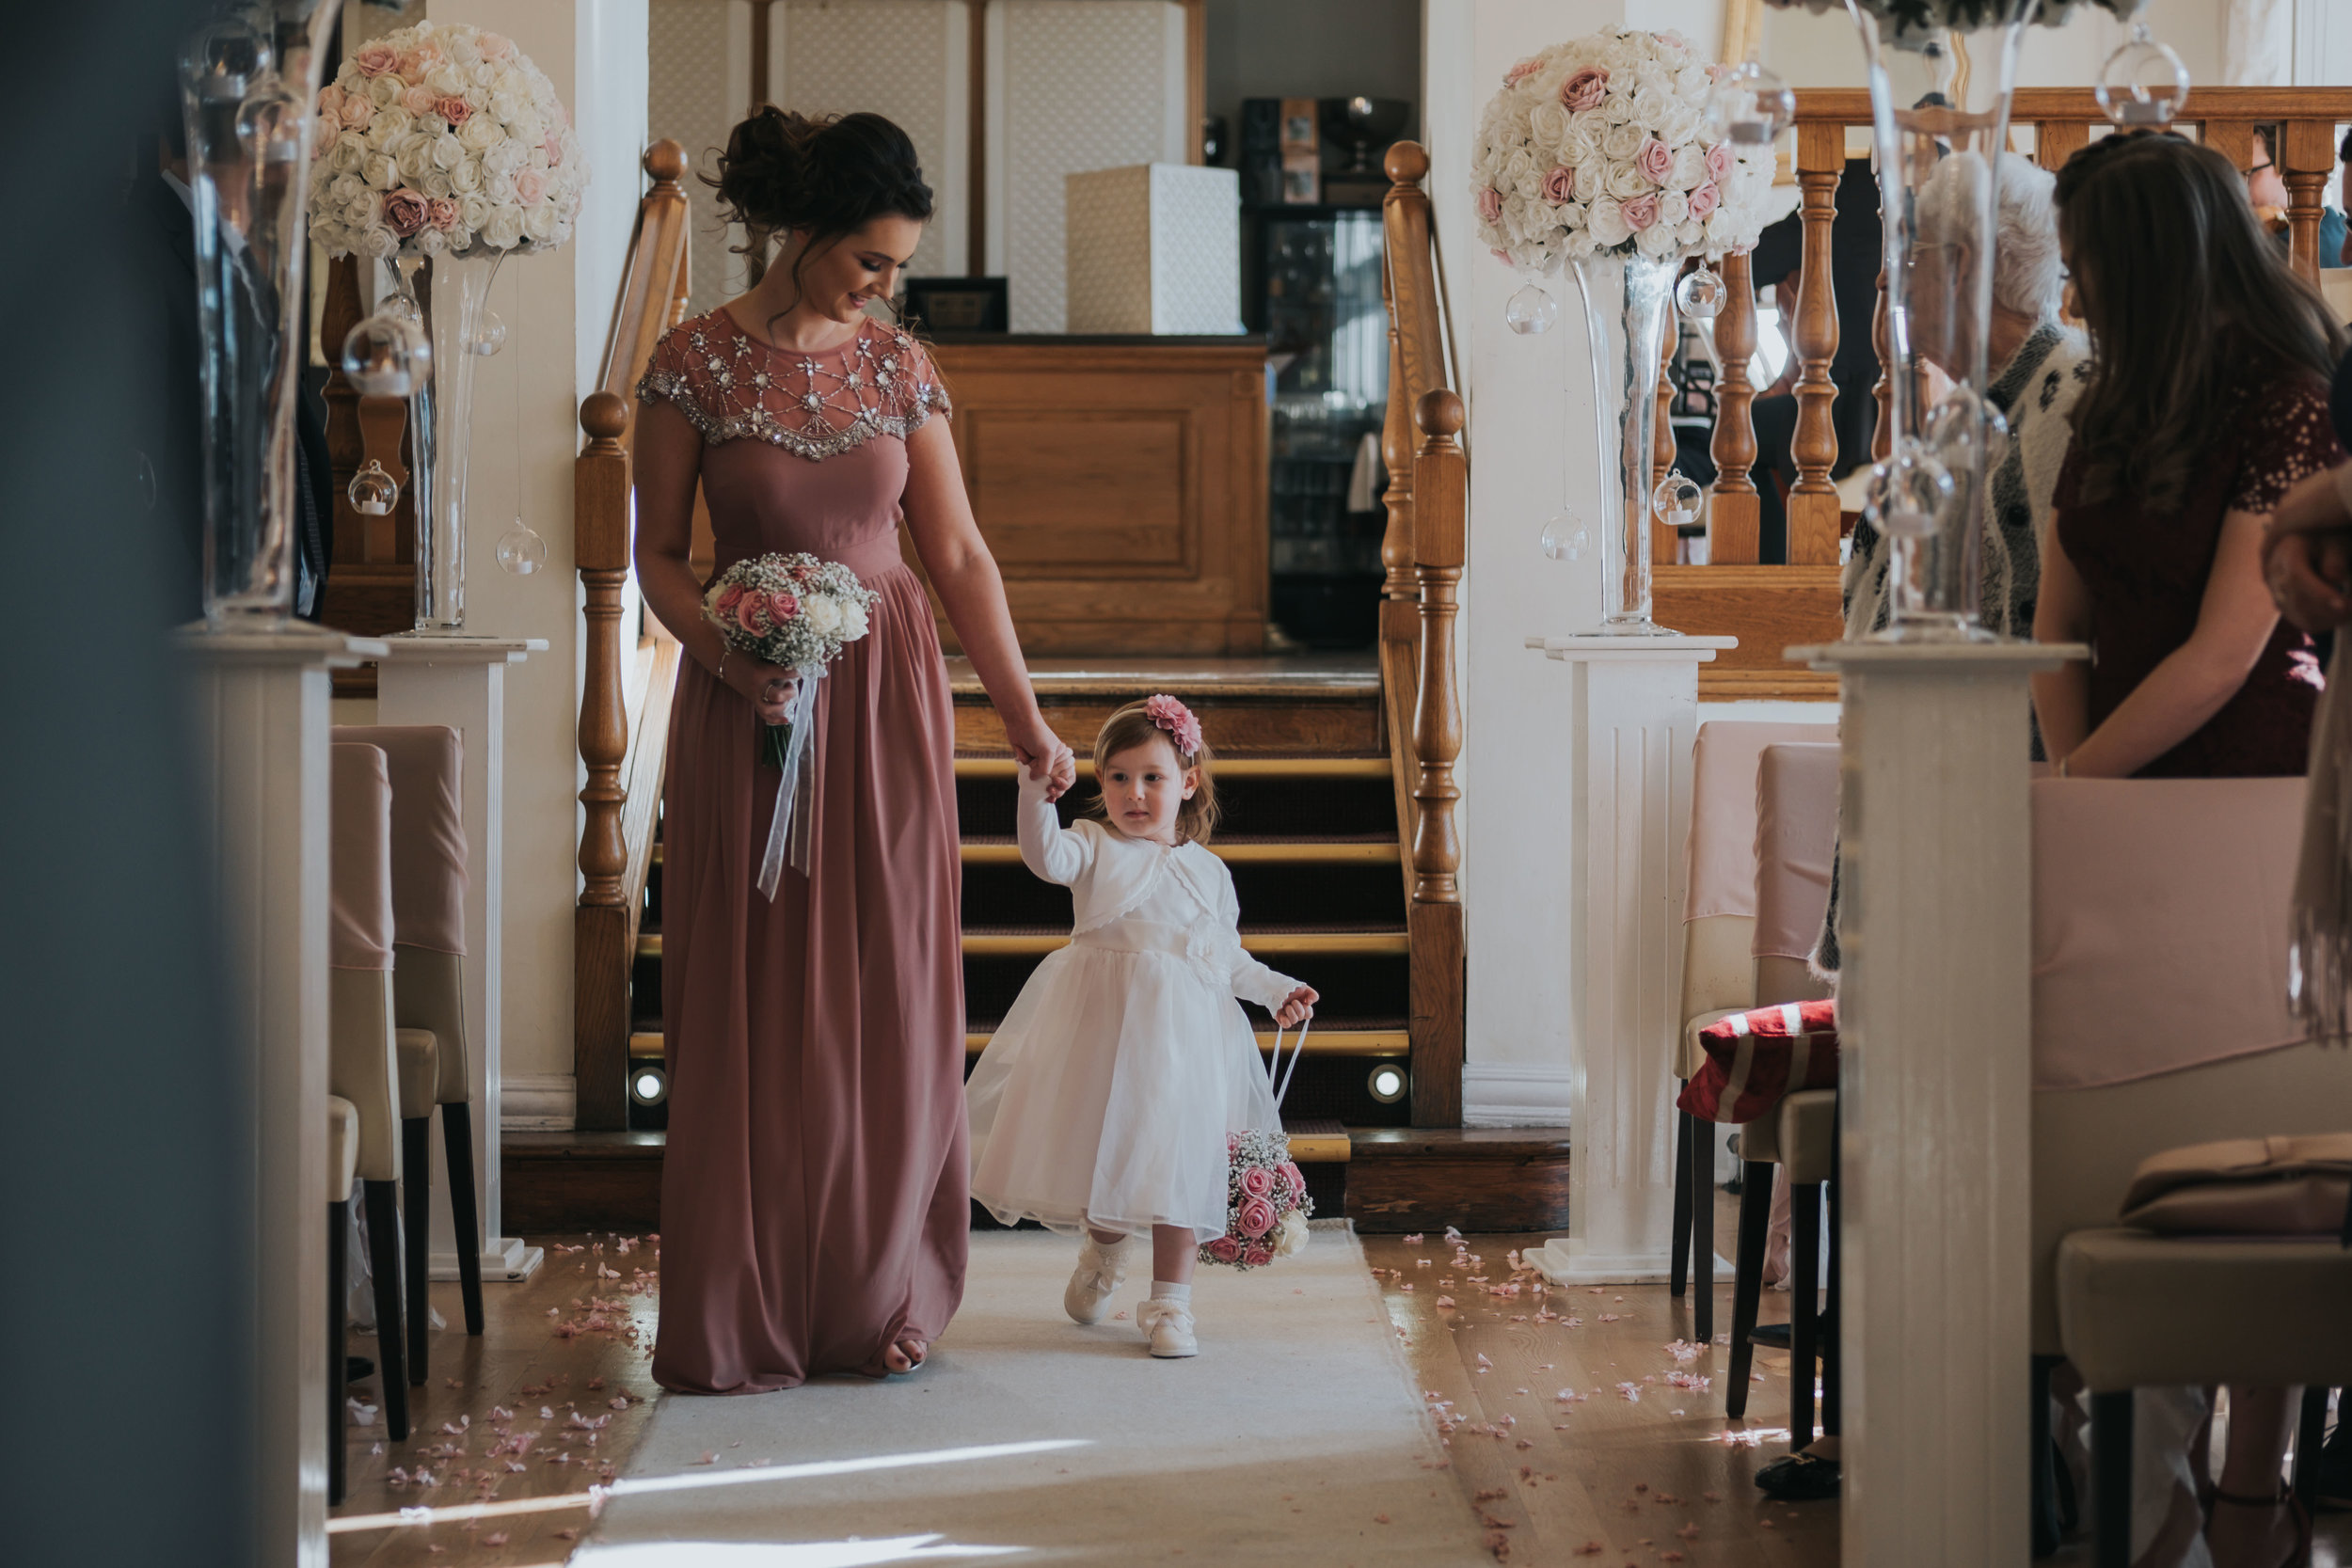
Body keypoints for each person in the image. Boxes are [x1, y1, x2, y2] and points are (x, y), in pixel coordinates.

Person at [633, 107, 1076, 1393]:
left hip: (885, 700)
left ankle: (875, 1289)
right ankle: (747, 1297)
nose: (885, 286)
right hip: (747, 707)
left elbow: (959, 555)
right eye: (870, 260)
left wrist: (1028, 717)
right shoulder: (691, 364)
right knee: (754, 995)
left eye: (895, 267)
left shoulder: (898, 367)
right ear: (808, 229)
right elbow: (656, 556)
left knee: (887, 990)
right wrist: (734, 658)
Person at [2034, 130, 2347, 1568]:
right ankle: (2143, 1479)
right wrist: (2071, 769)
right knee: (2121, 1121)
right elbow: (2059, 612)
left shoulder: (2290, 398)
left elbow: (2233, 648)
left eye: (2091, 262)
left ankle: (2243, 1479)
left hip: (2248, 801)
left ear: (2149, 260)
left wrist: (2083, 786)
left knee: (2246, 1113)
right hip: (2109, 786)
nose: (2075, 291)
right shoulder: (2108, 400)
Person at [964, 697, 1319, 1359]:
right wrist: (1035, 788)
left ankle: (1171, 1305)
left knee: (1183, 1168)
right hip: (1105, 1035)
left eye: (1152, 777)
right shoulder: (1093, 847)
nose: (1134, 792)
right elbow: (1044, 857)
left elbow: (1225, 957)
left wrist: (1275, 991)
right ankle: (1102, 1256)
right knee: (1109, 1163)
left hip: (1185, 1044)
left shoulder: (1209, 872)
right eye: (1119, 777)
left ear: (1187, 782)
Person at [1747, 158, 1883, 562]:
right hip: (1938, 415)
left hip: (1849, 415)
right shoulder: (1964, 189)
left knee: (1742, 432)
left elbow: (1756, 258)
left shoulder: (1853, 186)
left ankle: (1776, 575)